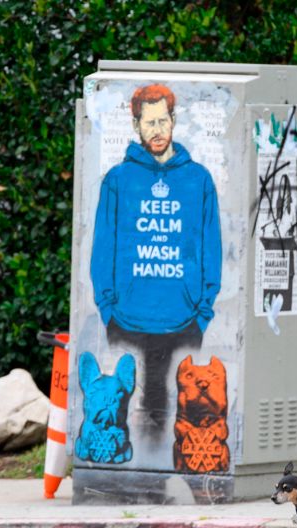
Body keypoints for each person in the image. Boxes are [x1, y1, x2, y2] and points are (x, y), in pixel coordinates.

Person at [90, 83, 222, 433]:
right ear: (136, 125)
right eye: (149, 123)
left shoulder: (198, 179)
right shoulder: (118, 180)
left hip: (184, 326)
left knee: (181, 419)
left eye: (163, 121)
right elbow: (102, 251)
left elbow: (212, 248)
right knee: (124, 413)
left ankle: (171, 479)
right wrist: (108, 311)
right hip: (127, 325)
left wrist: (203, 311)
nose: (157, 130)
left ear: (173, 120)